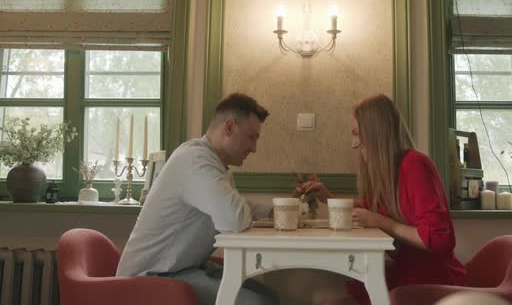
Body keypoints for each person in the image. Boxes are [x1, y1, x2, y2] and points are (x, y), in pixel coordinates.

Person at [296, 94, 466, 305]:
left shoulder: (414, 165)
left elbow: (439, 240)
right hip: (406, 273)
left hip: (431, 283)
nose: (354, 145)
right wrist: (328, 198)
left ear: (375, 133)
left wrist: (381, 223)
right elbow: (367, 208)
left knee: (325, 299)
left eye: (357, 134)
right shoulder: (391, 171)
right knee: (323, 298)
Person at [116, 93, 279, 305]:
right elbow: (234, 218)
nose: (254, 148)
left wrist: (272, 212)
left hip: (184, 269)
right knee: (260, 304)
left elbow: (234, 207)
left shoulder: (210, 162)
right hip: (151, 278)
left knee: (269, 297)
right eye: (251, 137)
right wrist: (246, 212)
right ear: (228, 128)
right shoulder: (196, 161)